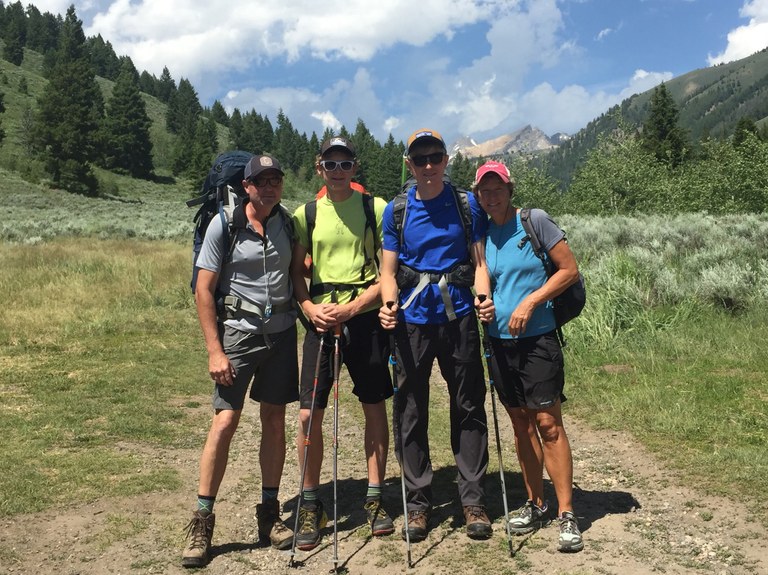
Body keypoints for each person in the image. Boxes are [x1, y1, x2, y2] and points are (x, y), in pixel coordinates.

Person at [378, 128, 495, 542]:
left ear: (446, 160)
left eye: (435, 157)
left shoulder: (466, 205)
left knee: (468, 403)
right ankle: (418, 504)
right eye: (420, 158)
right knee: (410, 408)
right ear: (409, 164)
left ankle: (472, 499)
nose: (428, 165)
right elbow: (388, 272)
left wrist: (483, 297)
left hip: (460, 315)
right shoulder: (397, 210)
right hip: (412, 320)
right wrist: (388, 305)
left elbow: (478, 263)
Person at [182, 154, 299, 568]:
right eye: (260, 181)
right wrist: (215, 350)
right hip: (238, 334)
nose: (269, 187)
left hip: (282, 334)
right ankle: (202, 518)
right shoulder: (225, 224)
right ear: (246, 186)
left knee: (273, 419)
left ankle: (270, 513)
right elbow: (203, 289)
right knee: (225, 420)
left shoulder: (287, 223)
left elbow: (298, 276)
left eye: (275, 180)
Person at [472, 160, 584, 553]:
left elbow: (568, 270)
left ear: (509, 188)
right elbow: (483, 274)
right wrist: (482, 302)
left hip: (538, 340)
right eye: (483, 190)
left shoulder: (534, 220)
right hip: (499, 342)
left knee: (548, 422)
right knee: (520, 424)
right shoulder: (481, 231)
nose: (490, 195)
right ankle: (536, 503)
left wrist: (531, 301)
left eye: (496, 188)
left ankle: (567, 513)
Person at [290, 136, 395, 551]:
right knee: (307, 414)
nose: (338, 171)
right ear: (320, 169)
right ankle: (310, 502)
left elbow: (387, 271)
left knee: (373, 406)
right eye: (330, 165)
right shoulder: (307, 213)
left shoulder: (376, 208)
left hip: (365, 319)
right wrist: (308, 307)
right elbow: (298, 271)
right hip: (320, 321)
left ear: (355, 168)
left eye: (345, 164)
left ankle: (374, 497)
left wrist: (353, 309)